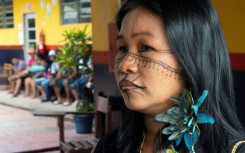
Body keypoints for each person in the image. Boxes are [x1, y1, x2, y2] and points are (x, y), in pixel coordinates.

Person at [93, 0, 245, 153]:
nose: (125, 65)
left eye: (145, 47)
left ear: (191, 59)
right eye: (123, 48)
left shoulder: (233, 149)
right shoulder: (109, 147)